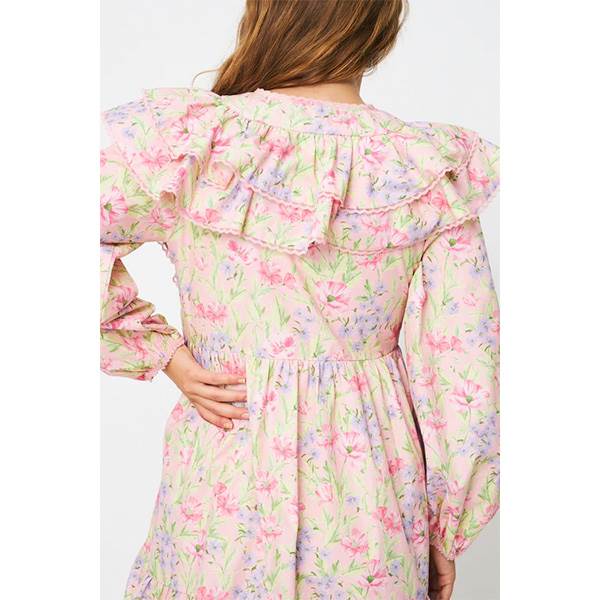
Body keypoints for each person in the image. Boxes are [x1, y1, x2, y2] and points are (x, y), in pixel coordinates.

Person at [100, 1, 499, 598]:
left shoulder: (192, 138)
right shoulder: (424, 166)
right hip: (373, 491)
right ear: (380, 26)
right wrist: (447, 532)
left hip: (225, 476)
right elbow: (464, 369)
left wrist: (168, 356)